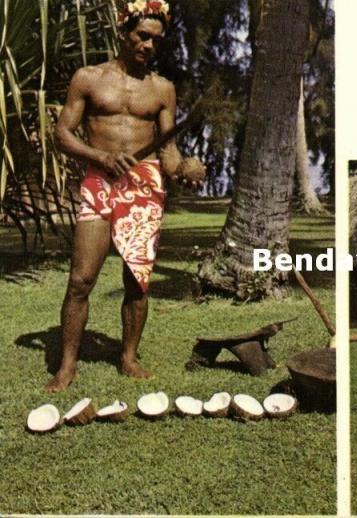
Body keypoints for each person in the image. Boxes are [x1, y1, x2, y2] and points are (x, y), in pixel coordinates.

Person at [45, 0, 206, 392]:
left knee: (138, 281)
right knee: (81, 279)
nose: (149, 46)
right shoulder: (89, 78)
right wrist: (100, 156)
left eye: (156, 40)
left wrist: (184, 170)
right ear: (124, 32)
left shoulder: (162, 89)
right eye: (142, 36)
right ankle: (67, 365)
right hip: (99, 184)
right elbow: (62, 133)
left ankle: (129, 357)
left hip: (144, 187)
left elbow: (167, 151)